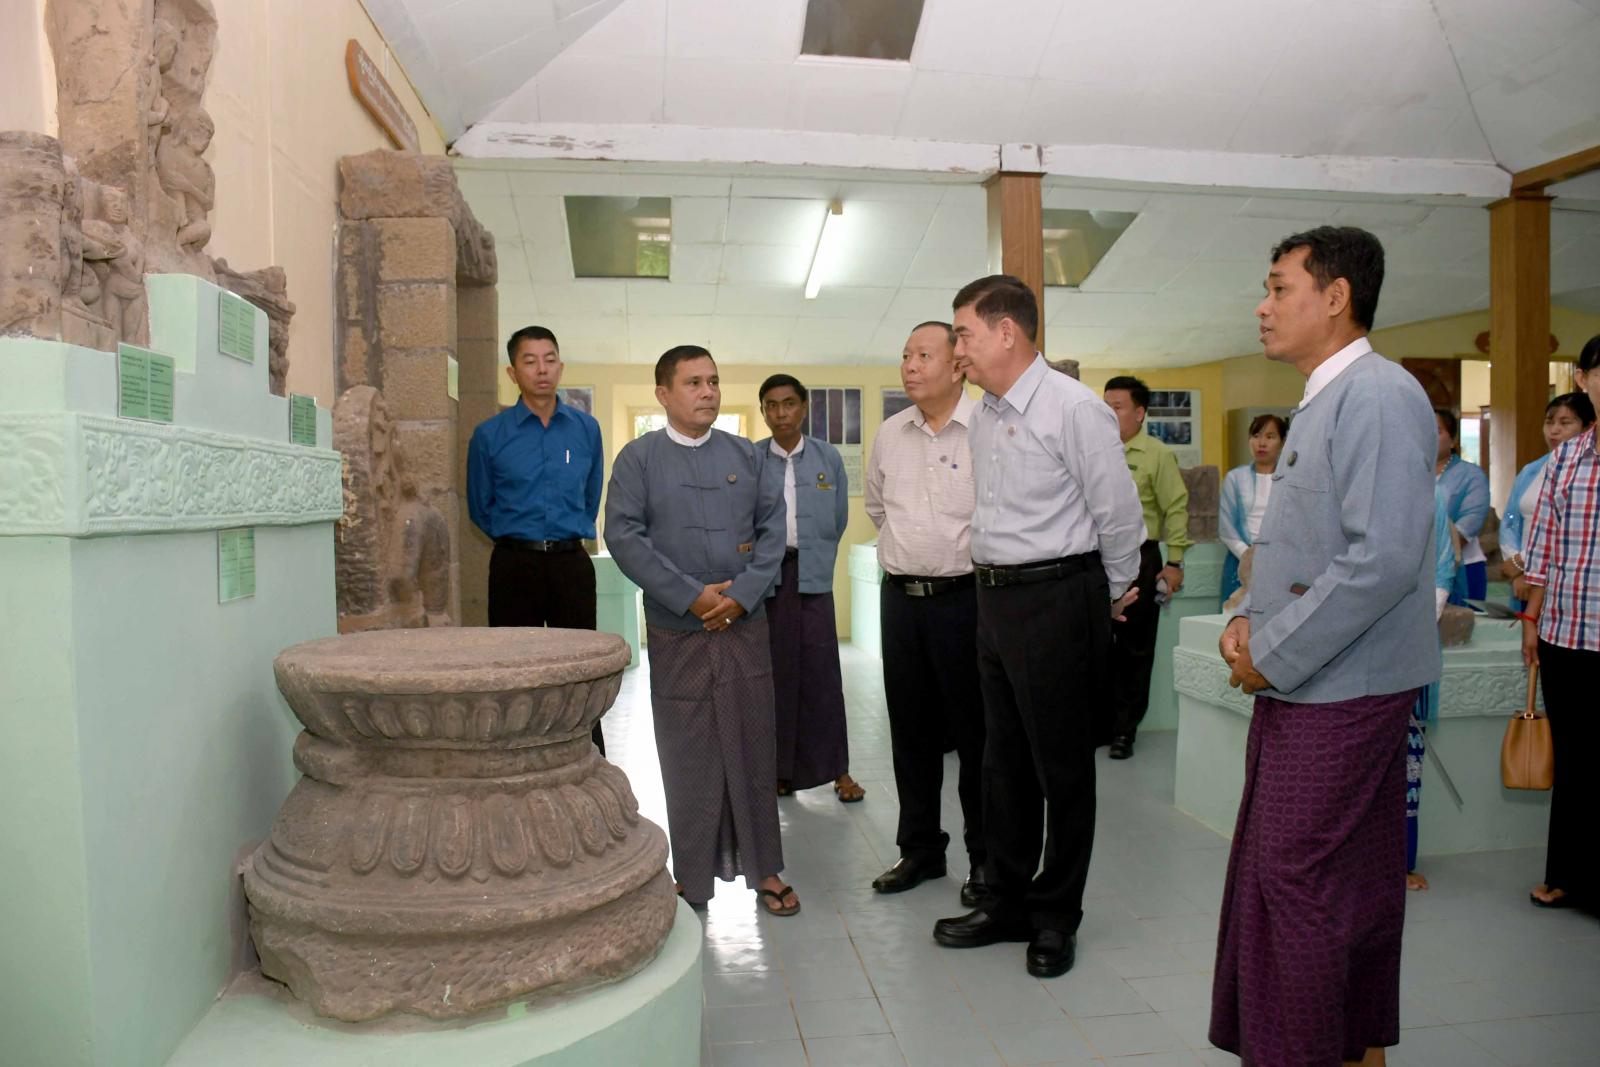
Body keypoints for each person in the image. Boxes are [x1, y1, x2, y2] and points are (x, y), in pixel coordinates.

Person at [1211, 226, 1439, 1067]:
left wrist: (1271, 651)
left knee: (1291, 878)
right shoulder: (1324, 398)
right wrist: (1246, 611)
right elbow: (1298, 544)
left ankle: (1302, 1049)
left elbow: (1382, 558)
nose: (1263, 306)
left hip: (1342, 687)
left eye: (1280, 288)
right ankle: (1355, 1046)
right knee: (1356, 879)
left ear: (1336, 297)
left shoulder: (1377, 394)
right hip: (1319, 681)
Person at [931, 275, 1144, 979]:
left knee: (1062, 768)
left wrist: (1103, 598)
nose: (956, 348)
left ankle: (1056, 915)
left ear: (1007, 332)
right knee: (1003, 762)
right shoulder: (985, 414)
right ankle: (1007, 900)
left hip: (1057, 597)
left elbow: (1120, 517)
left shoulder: (1073, 408)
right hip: (994, 600)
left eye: (963, 334)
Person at [602, 345, 799, 916]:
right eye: (693, 382)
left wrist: (741, 594)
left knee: (754, 745)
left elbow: (773, 530)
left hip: (743, 622)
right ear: (663, 394)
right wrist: (691, 596)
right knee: (687, 751)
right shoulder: (638, 460)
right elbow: (624, 536)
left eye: (713, 381)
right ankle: (691, 876)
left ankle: (766, 870)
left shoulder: (746, 455)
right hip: (677, 627)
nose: (708, 391)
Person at [865, 322, 987, 904]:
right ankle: (920, 850)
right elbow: (877, 508)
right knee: (909, 732)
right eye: (905, 355)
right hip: (901, 601)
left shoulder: (986, 429)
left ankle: (986, 859)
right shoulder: (890, 433)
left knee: (977, 736)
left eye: (923, 355)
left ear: (958, 365)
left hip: (968, 601)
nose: (910, 366)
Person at [467, 325, 606, 752]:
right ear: (513, 373)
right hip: (515, 564)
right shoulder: (490, 435)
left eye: (549, 360)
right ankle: (514, 755)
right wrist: (519, 541)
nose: (541, 369)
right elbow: (480, 507)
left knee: (580, 668)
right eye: (530, 361)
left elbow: (591, 495)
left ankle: (586, 754)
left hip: (570, 564)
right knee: (514, 667)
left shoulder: (586, 429)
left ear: (560, 367)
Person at [755, 373, 864, 804]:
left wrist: (812, 556)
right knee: (775, 677)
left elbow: (836, 520)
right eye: (771, 405)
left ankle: (839, 770)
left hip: (813, 577)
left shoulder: (827, 457)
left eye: (789, 403)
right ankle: (780, 772)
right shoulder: (751, 459)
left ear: (804, 408)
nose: (780, 413)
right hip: (767, 581)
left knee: (822, 677)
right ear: (763, 411)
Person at [1520, 333, 1600, 912]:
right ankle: (1568, 876)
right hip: (1566, 632)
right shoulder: (1566, 459)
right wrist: (1532, 618)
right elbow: (1542, 551)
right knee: (1574, 757)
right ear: (1583, 379)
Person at [1102, 376, 1191, 759]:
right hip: (1095, 560)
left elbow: (1176, 508)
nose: (1109, 413)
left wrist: (1174, 562)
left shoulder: (1157, 454)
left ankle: (1125, 730)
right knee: (1094, 645)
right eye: (1105, 405)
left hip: (1140, 558)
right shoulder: (1095, 450)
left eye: (1117, 406)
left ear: (1139, 413)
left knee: (1134, 650)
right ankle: (1100, 723)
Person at [1500, 391, 1596, 611]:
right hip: (1523, 579)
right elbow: (1510, 521)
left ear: (1588, 427)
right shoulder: (1531, 470)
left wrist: (1524, 562)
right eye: (1549, 422)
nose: (1554, 430)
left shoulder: (1588, 473)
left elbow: (1572, 529)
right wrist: (1516, 569)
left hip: (1565, 575)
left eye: (1565, 423)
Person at [1408, 484, 1458, 893]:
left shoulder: (1430, 493)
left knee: (1407, 767)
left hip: (1411, 649)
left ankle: (1400, 863)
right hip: (1353, 658)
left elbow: (1443, 568)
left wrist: (1415, 631)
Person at [1219, 414, 1289, 607]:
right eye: (1256, 436)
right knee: (1236, 615)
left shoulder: (1290, 480)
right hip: (1240, 560)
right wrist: (1249, 556)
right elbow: (1226, 527)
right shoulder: (1235, 478)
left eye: (1270, 436)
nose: (1262, 443)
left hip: (1281, 560)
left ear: (1283, 442)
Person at [1434, 408, 1490, 606]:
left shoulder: (1471, 475)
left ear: (1453, 439)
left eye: (1437, 431)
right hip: (1418, 569)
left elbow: (1471, 521)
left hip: (1463, 567)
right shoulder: (1410, 473)